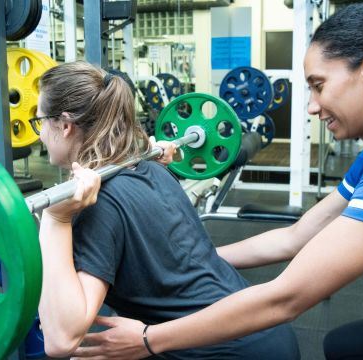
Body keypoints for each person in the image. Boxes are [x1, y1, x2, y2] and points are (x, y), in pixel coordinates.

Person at [70, 4, 363, 360]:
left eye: (318, 86)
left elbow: (286, 299)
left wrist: (148, 340)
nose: (311, 106)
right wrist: (192, 260)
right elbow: (294, 239)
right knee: (344, 346)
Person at [34, 61, 300, 359]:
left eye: (40, 121)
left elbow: (60, 340)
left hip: (229, 350)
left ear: (66, 125)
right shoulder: (151, 168)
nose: (41, 134)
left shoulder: (98, 204)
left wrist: (55, 218)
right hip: (263, 331)